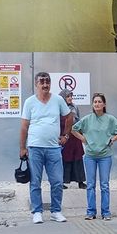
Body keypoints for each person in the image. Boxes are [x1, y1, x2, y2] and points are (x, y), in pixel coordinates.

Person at [20, 72, 72, 224]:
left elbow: (69, 117)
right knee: (35, 181)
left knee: (56, 181)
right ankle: (37, 211)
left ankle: (56, 211)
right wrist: (22, 147)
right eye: (41, 82)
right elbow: (24, 126)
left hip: (53, 148)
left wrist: (66, 136)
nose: (45, 85)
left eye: (47, 82)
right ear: (36, 84)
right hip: (35, 147)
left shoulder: (57, 100)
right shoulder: (29, 102)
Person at [71, 93, 117, 221]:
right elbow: (74, 129)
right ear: (93, 104)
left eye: (99, 102)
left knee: (104, 185)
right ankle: (91, 211)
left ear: (104, 104)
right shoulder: (87, 119)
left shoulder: (110, 119)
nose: (97, 104)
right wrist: (83, 138)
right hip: (90, 156)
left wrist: (112, 139)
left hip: (105, 156)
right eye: (95, 102)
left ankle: (106, 212)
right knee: (90, 185)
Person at [59, 89, 86, 189]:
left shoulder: (75, 107)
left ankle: (80, 181)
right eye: (67, 96)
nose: (70, 98)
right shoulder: (59, 108)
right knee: (64, 159)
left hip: (75, 137)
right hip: (65, 137)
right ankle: (62, 181)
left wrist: (82, 134)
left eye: (71, 96)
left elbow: (79, 121)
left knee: (78, 159)